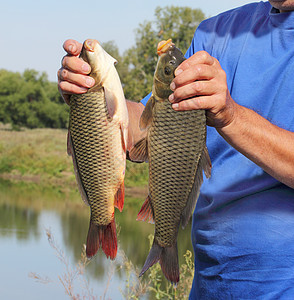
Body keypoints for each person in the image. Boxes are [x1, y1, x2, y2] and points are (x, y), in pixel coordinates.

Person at [58, 1, 294, 298]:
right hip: (213, 281)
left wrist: (230, 116)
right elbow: (151, 129)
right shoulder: (215, 32)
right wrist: (90, 99)